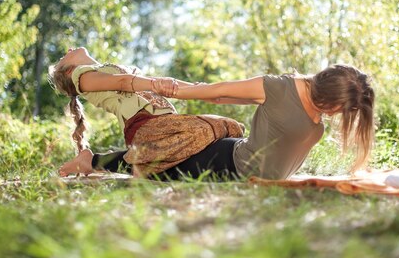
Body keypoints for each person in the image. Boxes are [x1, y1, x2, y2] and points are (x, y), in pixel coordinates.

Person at [52, 47, 375, 181]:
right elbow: (218, 91)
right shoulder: (280, 88)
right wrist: (172, 88)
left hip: (230, 156)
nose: (338, 115)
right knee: (157, 166)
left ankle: (95, 161)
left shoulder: (316, 106)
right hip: (224, 160)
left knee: (212, 132)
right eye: (340, 108)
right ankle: (92, 161)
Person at [48, 47, 244, 179]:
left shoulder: (109, 68)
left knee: (232, 127)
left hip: (167, 122)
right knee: (202, 131)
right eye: (61, 58)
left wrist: (202, 90)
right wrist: (155, 84)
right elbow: (123, 82)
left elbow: (161, 83)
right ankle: (95, 161)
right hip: (145, 127)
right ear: (67, 71)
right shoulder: (81, 78)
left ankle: (147, 164)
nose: (68, 50)